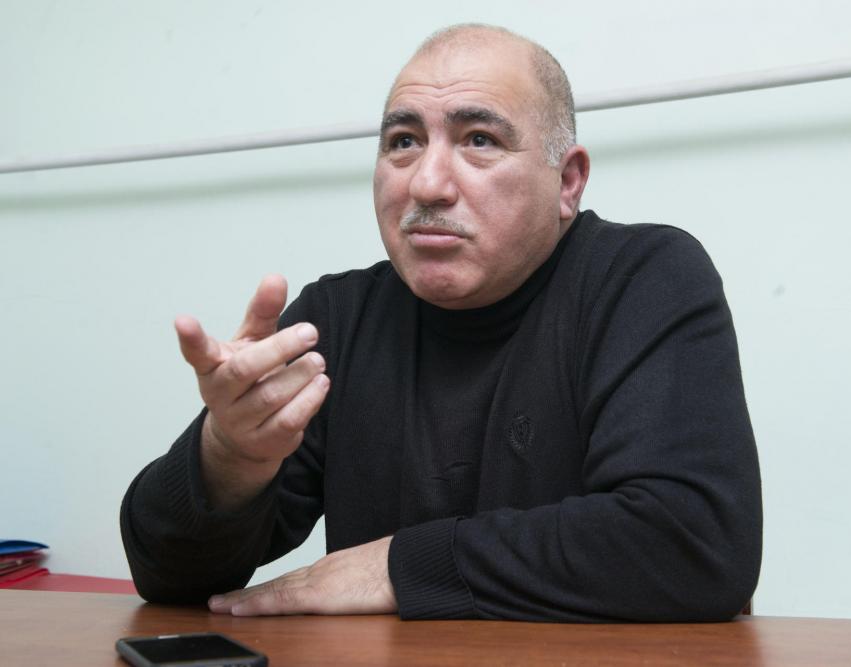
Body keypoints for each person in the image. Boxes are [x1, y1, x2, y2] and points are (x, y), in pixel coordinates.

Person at [120, 23, 762, 622]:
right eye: (403, 142)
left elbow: (694, 543)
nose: (427, 185)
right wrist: (229, 456)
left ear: (568, 182)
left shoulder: (643, 278)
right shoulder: (336, 320)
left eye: (479, 140)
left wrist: (397, 567)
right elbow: (166, 575)